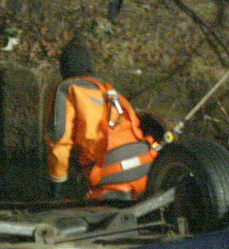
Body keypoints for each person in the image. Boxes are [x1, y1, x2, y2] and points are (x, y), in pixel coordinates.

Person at [45, 38, 159, 200]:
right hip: (145, 168)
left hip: (111, 175)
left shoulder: (67, 90)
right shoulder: (108, 90)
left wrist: (55, 187)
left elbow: (59, 139)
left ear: (63, 68)